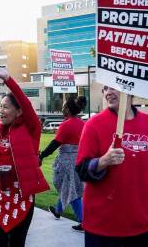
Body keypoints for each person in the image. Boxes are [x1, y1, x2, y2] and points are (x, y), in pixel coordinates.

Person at [75, 86, 148, 247]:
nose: (108, 92)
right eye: (105, 89)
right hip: (105, 229)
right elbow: (81, 171)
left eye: (113, 87)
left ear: (130, 89)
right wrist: (103, 161)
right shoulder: (93, 125)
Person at [0, 64, 49, 247]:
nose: (1, 110)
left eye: (6, 107)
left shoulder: (31, 129)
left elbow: (27, 103)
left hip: (22, 198)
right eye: (0, 107)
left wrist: (8, 79)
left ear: (19, 111)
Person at [39, 96, 86, 231]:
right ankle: (58, 210)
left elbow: (55, 143)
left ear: (68, 109)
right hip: (79, 159)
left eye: (64, 106)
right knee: (69, 185)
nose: (62, 108)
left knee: (71, 190)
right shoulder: (83, 124)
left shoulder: (66, 125)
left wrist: (42, 155)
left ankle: (83, 221)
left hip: (67, 161)